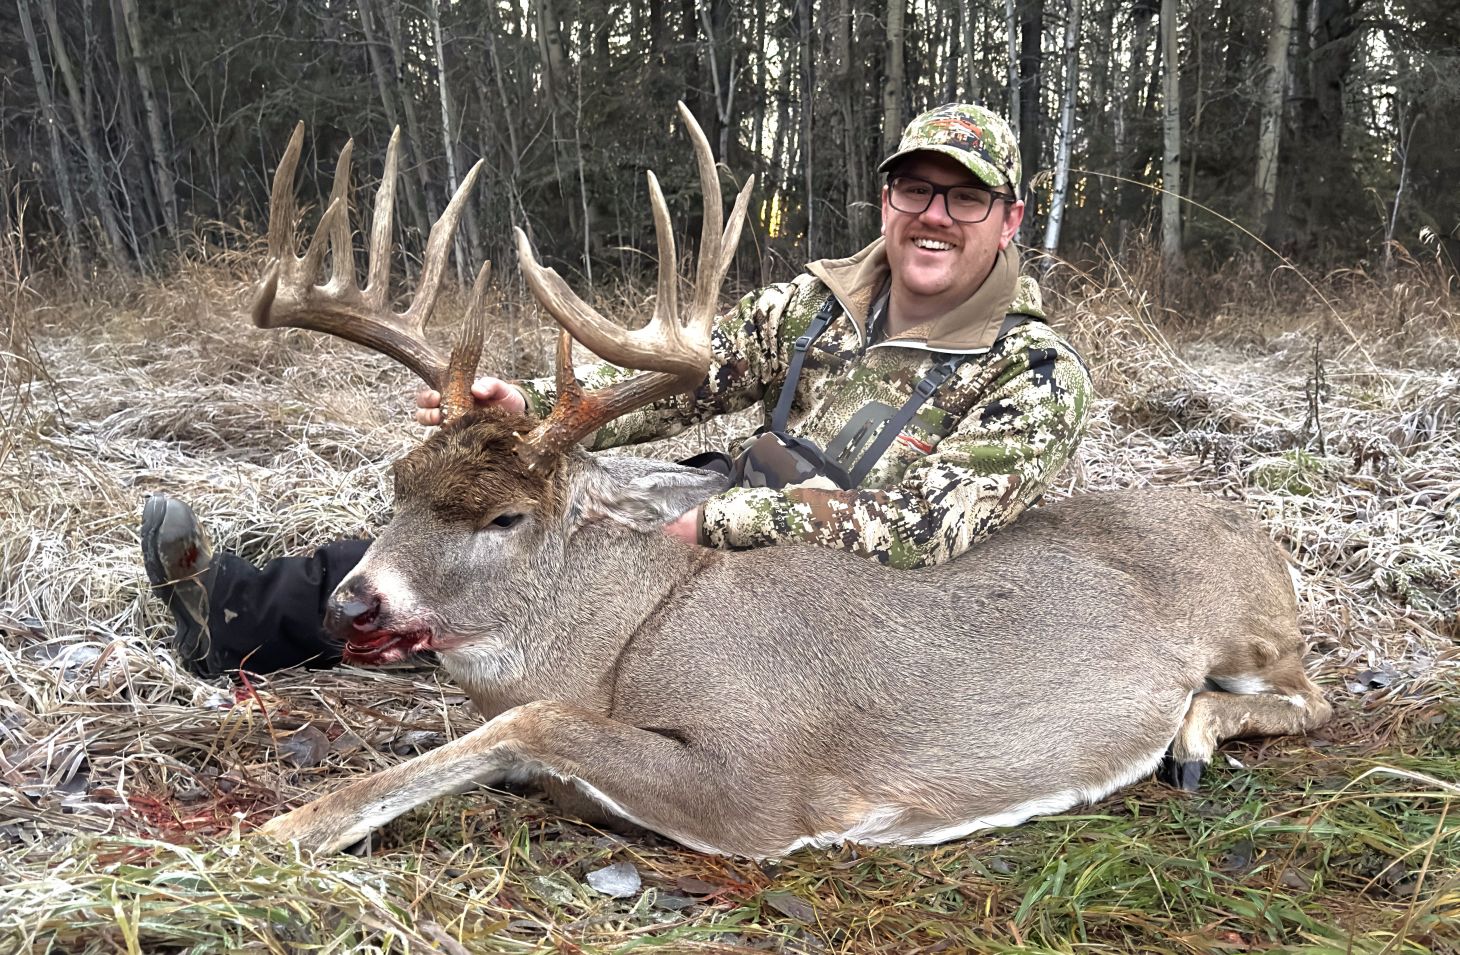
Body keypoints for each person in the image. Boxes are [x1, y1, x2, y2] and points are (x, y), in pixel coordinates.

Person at [142, 103, 1093, 677]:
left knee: (546, 604)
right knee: (492, 522)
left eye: (963, 198)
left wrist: (710, 528)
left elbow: (926, 532)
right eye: (914, 193)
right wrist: (538, 423)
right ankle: (229, 612)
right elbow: (693, 373)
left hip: (851, 597)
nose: (933, 217)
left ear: (1008, 220)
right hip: (722, 496)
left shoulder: (1037, 376)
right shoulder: (826, 296)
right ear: (887, 201)